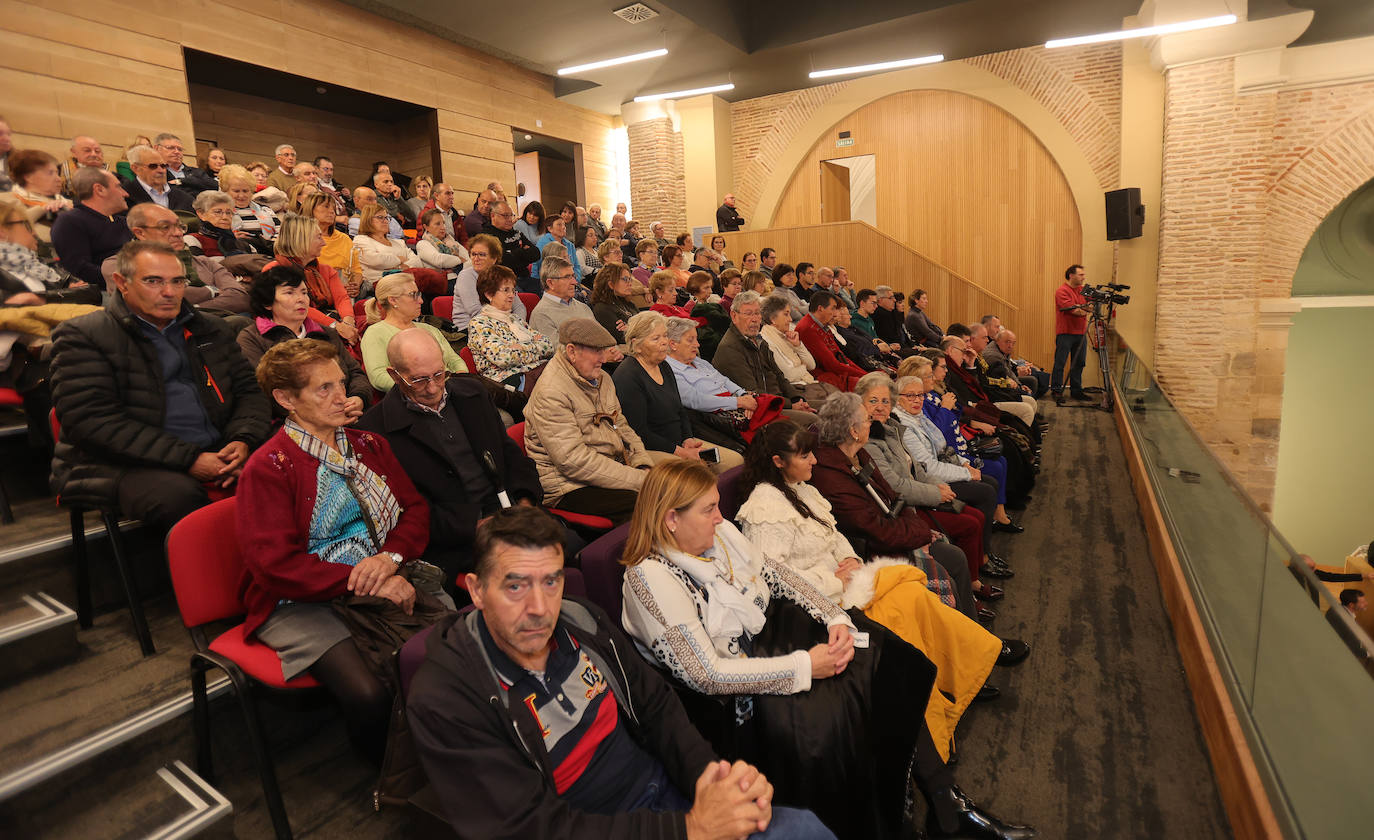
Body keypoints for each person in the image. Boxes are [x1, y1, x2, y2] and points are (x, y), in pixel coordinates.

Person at [622, 459, 1036, 840]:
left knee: (889, 657)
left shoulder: (719, 536)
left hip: (775, 639)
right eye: (709, 509)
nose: (720, 516)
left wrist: (835, 617)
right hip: (731, 697)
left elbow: (778, 575)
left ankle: (945, 804)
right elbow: (706, 674)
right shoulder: (650, 578)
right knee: (848, 701)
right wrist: (805, 667)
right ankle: (913, 818)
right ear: (671, 520)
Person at [407, 504, 830, 839]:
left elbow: (655, 704)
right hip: (593, 825)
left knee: (806, 828)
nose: (539, 608)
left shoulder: (581, 621)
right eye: (515, 586)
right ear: (476, 590)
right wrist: (689, 831)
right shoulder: (448, 697)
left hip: (666, 793)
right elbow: (527, 829)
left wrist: (708, 776)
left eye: (551, 582)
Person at [737, 420, 1005, 755]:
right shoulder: (765, 506)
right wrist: (837, 579)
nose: (814, 462)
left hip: (845, 583)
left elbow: (834, 536)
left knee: (915, 596)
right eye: (805, 456)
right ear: (778, 461)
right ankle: (938, 703)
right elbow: (772, 579)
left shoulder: (801, 487)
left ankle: (962, 674)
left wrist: (850, 561)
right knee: (905, 607)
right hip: (816, 606)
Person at [239, 338, 447, 764]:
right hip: (300, 599)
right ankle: (388, 777)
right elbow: (275, 567)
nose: (343, 397)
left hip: (384, 573)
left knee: (451, 652)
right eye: (324, 389)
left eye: (340, 383)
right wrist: (369, 582)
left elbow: (414, 510)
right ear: (284, 399)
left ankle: (446, 754)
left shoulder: (368, 445)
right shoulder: (269, 466)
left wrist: (388, 561)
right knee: (369, 692)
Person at [49, 240, 271, 534]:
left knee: (293, 463)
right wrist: (190, 458)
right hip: (116, 463)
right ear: (121, 283)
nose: (169, 292)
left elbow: (248, 391)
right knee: (179, 498)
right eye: (153, 281)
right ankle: (200, 577)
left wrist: (242, 440)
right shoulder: (82, 335)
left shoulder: (211, 328)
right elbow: (91, 424)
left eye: (177, 281)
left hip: (218, 447)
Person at [356, 330, 544, 582]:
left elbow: (509, 453)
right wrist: (478, 528)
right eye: (419, 380)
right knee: (529, 570)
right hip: (458, 537)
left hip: (510, 510)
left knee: (565, 548)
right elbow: (408, 510)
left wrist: (524, 504)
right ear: (394, 375)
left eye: (439, 374)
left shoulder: (472, 393)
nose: (433, 388)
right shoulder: (375, 430)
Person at [857, 373, 1005, 612]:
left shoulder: (891, 428)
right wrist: (936, 492)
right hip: (905, 509)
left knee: (977, 511)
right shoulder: (869, 439)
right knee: (970, 522)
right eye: (873, 401)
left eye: (885, 401)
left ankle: (974, 580)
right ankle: (970, 596)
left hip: (920, 494)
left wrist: (937, 484)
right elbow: (897, 486)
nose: (880, 407)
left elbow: (918, 466)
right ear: (860, 403)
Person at [524, 318, 656, 523]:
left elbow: (622, 426)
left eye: (603, 351)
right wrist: (641, 481)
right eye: (596, 351)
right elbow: (573, 462)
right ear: (571, 351)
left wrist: (642, 463)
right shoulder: (551, 392)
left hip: (610, 466)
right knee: (651, 502)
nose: (603, 358)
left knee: (682, 483)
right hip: (569, 485)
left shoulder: (601, 378)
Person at [895, 363, 1020, 540]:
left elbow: (943, 437)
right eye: (911, 395)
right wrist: (965, 471)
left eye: (919, 395)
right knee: (989, 484)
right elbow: (929, 461)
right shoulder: (907, 420)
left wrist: (964, 463)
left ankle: (997, 520)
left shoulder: (923, 407)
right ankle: (987, 545)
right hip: (936, 472)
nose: (917, 399)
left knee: (999, 464)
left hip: (950, 456)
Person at [613, 312, 744, 473]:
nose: (664, 343)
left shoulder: (664, 366)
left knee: (735, 461)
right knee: (696, 473)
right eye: (656, 338)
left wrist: (688, 438)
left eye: (665, 336)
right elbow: (639, 433)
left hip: (680, 442)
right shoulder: (628, 376)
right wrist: (680, 451)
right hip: (652, 449)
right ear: (636, 344)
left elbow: (680, 410)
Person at [236, 264, 370, 417]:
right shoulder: (252, 339)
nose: (301, 299)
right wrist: (323, 413)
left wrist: (358, 398)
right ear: (267, 303)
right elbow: (263, 393)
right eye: (289, 293)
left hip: (345, 411)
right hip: (294, 421)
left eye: (304, 292)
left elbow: (355, 373)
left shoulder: (325, 333)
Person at [100, 203, 250, 313]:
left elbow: (240, 297)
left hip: (212, 329)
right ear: (140, 233)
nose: (178, 233)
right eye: (165, 227)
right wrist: (211, 291)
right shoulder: (117, 264)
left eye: (180, 227)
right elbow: (151, 299)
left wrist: (194, 310)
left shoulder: (204, 262)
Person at [712, 292, 815, 416]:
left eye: (757, 313)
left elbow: (779, 376)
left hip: (779, 401)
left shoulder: (760, 342)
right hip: (761, 410)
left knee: (831, 406)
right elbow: (753, 392)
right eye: (749, 314)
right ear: (734, 316)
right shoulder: (729, 348)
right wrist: (791, 405)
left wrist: (797, 399)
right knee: (814, 419)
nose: (755, 319)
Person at [360, 273, 467, 392]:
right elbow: (378, 377)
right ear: (393, 300)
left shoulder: (429, 329)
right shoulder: (375, 333)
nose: (421, 301)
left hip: (450, 391)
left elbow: (454, 360)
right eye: (413, 295)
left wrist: (461, 378)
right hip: (412, 399)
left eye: (419, 295)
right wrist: (421, 389)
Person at [468, 265, 553, 392]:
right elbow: (504, 358)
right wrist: (535, 348)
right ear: (489, 294)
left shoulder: (515, 319)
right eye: (506, 290)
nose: (512, 295)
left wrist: (521, 347)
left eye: (513, 290)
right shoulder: (480, 323)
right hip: (509, 382)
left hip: (537, 372)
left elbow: (549, 346)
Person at [49, 168, 131, 288]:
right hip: (104, 292)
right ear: (100, 190)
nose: (125, 193)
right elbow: (80, 270)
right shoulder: (70, 221)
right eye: (118, 187)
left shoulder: (121, 221)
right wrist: (130, 281)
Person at [759, 293, 837, 404]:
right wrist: (802, 366)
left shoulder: (787, 334)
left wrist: (798, 346)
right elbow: (788, 376)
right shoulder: (767, 340)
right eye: (786, 314)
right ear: (773, 319)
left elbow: (811, 365)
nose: (790, 319)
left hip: (807, 384)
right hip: (796, 391)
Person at [451, 233, 527, 331]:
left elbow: (519, 307)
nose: (476, 258)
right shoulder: (466, 276)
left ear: (494, 258)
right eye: (473, 254)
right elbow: (476, 312)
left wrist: (517, 326)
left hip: (504, 326)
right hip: (471, 329)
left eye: (482, 255)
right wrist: (505, 328)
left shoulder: (501, 275)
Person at [796, 292, 866, 390]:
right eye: (833, 308)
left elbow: (841, 356)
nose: (835, 313)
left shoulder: (823, 325)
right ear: (820, 308)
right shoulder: (808, 328)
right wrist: (866, 377)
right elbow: (832, 365)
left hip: (833, 372)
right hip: (822, 376)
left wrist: (865, 374)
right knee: (868, 386)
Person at [1, 149, 72, 242]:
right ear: (28, 177)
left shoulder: (68, 203)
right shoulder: (5, 200)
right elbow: (8, 226)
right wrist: (43, 208)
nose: (59, 179)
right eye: (50, 173)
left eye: (57, 173)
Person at [352, 204, 421, 297]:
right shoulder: (361, 239)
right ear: (367, 220)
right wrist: (399, 259)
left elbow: (417, 261)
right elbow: (375, 260)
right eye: (380, 217)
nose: (385, 221)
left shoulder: (399, 242)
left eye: (387, 218)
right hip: (379, 286)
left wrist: (399, 268)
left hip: (406, 282)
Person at [530, 255, 600, 342]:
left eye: (573, 276)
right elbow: (558, 350)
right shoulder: (541, 315)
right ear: (551, 283)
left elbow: (600, 336)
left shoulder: (582, 307)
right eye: (567, 277)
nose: (575, 282)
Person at [482, 199, 541, 294]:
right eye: (505, 216)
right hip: (504, 282)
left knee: (549, 291)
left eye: (511, 215)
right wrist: (522, 252)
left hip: (525, 277)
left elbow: (536, 253)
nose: (510, 219)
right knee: (526, 299)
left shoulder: (516, 233)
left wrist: (515, 253)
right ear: (493, 215)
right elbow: (503, 261)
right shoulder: (487, 236)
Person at [187, 190, 264, 258]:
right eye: (217, 212)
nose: (225, 217)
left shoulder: (241, 244)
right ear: (201, 214)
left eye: (228, 212)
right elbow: (199, 268)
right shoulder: (193, 239)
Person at [1053, 264, 1090, 404]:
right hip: (1065, 333)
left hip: (1081, 333)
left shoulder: (1083, 290)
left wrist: (1083, 309)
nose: (1083, 277)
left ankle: (1076, 391)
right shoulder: (1061, 291)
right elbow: (1074, 311)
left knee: (1079, 363)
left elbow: (1090, 306)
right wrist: (1084, 309)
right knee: (1060, 363)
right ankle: (1056, 390)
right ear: (1071, 275)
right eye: (1080, 275)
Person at [121, 145, 194, 212]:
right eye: (153, 166)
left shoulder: (184, 199)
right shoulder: (124, 196)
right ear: (136, 168)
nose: (161, 170)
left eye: (163, 166)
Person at [219, 163, 279, 244]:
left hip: (268, 251)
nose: (241, 195)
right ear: (226, 191)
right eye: (236, 191)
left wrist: (272, 241)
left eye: (245, 191)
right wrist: (232, 238)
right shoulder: (220, 213)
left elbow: (281, 233)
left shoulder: (266, 210)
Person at [591, 262, 639, 346]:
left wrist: (630, 328)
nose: (630, 283)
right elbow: (621, 338)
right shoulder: (602, 309)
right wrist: (637, 328)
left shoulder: (628, 303)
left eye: (630, 279)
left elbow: (646, 325)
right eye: (625, 279)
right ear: (610, 284)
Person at [152, 133, 217, 195]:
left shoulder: (196, 172)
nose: (177, 152)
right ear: (156, 148)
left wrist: (183, 181)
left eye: (180, 149)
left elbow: (215, 186)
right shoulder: (155, 171)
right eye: (170, 148)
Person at [415, 207, 469, 274]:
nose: (443, 227)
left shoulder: (450, 240)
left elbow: (467, 258)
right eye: (437, 224)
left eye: (443, 223)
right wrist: (459, 260)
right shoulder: (422, 244)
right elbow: (439, 260)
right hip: (440, 281)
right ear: (426, 227)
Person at [534, 215, 582, 283]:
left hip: (572, 281)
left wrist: (576, 280)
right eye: (559, 225)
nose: (563, 227)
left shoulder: (570, 245)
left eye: (564, 224)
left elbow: (576, 266)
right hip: (552, 283)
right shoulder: (543, 243)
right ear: (550, 229)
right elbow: (538, 267)